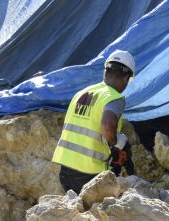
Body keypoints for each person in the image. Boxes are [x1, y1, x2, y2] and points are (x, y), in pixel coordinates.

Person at [52, 50, 136, 193]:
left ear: (105, 72)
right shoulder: (114, 98)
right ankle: (133, 177)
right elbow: (107, 126)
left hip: (65, 170)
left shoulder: (83, 93)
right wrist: (115, 142)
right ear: (127, 78)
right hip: (89, 174)